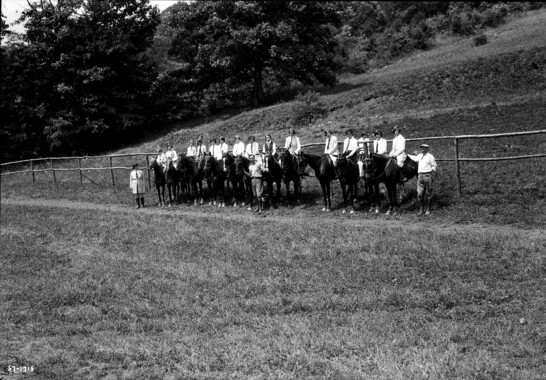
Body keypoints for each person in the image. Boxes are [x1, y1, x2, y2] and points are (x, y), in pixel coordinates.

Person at [407, 144, 437, 215]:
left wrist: (431, 175)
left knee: (428, 193)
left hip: (428, 175)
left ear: (427, 149)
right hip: (420, 176)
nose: (423, 149)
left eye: (424, 148)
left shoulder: (430, 157)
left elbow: (434, 166)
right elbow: (414, 158)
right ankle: (421, 209)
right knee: (419, 193)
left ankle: (428, 209)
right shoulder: (420, 156)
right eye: (422, 148)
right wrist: (406, 154)